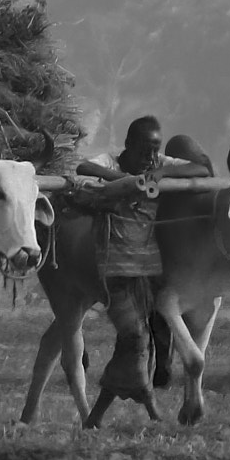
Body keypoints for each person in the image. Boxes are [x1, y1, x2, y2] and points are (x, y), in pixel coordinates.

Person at [73, 116, 213, 403]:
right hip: (110, 263)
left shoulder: (157, 163)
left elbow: (202, 169)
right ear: (127, 146)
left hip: (147, 264)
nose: (149, 158)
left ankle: (156, 373)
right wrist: (128, 183)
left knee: (153, 322)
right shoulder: (110, 161)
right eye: (143, 151)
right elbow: (83, 167)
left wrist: (158, 176)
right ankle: (132, 391)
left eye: (154, 150)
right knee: (134, 336)